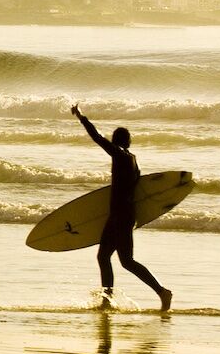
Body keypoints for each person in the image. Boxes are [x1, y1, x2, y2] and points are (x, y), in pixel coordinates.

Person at [71, 103, 172, 313]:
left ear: (116, 143)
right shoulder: (134, 160)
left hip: (120, 217)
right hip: (122, 215)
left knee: (126, 261)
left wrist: (81, 117)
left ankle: (162, 292)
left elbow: (97, 138)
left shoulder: (119, 156)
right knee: (106, 257)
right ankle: (108, 299)